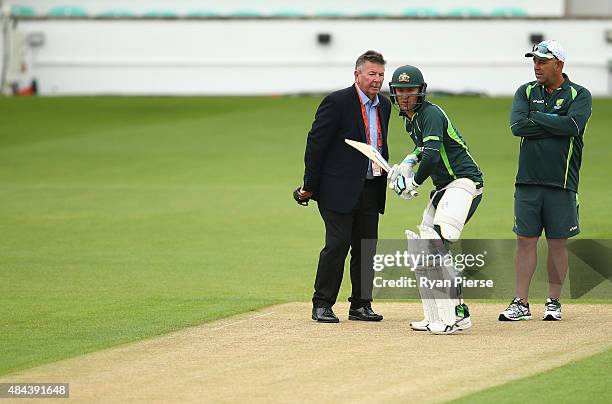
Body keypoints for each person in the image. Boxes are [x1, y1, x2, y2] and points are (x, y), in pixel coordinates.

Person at [294, 50, 391, 323]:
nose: (377, 79)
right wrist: (309, 186)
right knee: (337, 244)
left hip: (372, 186)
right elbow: (316, 145)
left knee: (366, 247)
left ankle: (361, 304)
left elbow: (380, 145)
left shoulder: (384, 105)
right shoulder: (336, 102)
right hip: (337, 189)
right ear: (357, 74)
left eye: (381, 74)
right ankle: (322, 304)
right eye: (371, 73)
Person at [499, 40, 592, 322]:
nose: (536, 66)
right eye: (534, 61)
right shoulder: (525, 91)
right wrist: (554, 121)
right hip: (527, 180)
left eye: (542, 61)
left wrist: (536, 118)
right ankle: (521, 303)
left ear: (559, 64)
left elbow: (573, 126)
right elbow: (517, 126)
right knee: (525, 241)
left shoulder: (580, 94)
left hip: (562, 182)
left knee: (557, 243)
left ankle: (553, 302)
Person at [387, 65, 484, 334]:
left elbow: (432, 154)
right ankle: (435, 316)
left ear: (421, 92)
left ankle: (454, 315)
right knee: (422, 248)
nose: (405, 96)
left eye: (410, 91)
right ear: (394, 94)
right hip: (444, 187)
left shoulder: (430, 113)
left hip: (464, 183)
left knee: (437, 244)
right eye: (400, 91)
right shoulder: (410, 118)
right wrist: (408, 161)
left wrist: (414, 182)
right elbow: (424, 148)